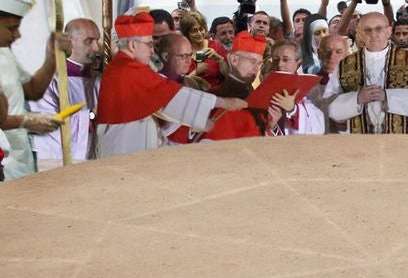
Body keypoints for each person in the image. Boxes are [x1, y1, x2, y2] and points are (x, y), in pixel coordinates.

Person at [95, 12, 247, 157]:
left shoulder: (125, 66)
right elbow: (168, 95)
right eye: (148, 44)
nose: (152, 50)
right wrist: (222, 103)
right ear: (133, 45)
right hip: (124, 145)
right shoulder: (128, 70)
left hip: (132, 142)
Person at [324, 12, 408, 134]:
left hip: (401, 143)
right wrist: (357, 98)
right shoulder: (344, 65)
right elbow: (330, 107)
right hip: (357, 144)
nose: (374, 34)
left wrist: (387, 97)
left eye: (379, 29)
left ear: (389, 31)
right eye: (367, 30)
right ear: (360, 34)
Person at [0, 0, 65, 180]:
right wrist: (28, 121)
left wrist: (52, 57)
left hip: (19, 156)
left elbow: (32, 90)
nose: (17, 34)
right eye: (11, 28)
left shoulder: (4, 53)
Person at [28, 18, 101, 171]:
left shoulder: (98, 80)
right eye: (89, 41)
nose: (96, 48)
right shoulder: (47, 80)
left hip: (92, 160)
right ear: (69, 42)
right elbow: (47, 123)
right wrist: (91, 116)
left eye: (97, 40)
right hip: (55, 162)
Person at [268, 40, 325, 135]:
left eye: (285, 60)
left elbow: (318, 123)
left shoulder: (312, 88)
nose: (279, 64)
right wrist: (272, 126)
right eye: (276, 59)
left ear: (298, 62)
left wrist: (293, 109)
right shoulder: (265, 85)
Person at [179, 11, 228, 88]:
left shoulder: (216, 46)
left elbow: (228, 76)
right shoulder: (181, 52)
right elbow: (180, 84)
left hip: (216, 93)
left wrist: (219, 59)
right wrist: (196, 72)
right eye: (194, 31)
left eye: (201, 29)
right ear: (187, 33)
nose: (199, 33)